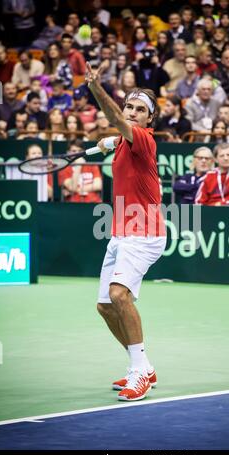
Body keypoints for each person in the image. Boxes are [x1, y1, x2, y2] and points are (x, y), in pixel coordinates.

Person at [86, 61, 166, 401]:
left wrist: (95, 88)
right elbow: (117, 132)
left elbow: (119, 123)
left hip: (145, 233)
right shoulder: (122, 140)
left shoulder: (144, 140)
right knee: (105, 306)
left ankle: (139, 373)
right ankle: (143, 365)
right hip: (121, 231)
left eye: (139, 110)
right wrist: (108, 142)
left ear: (149, 120)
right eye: (129, 106)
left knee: (120, 295)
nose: (132, 112)